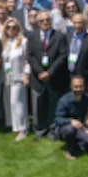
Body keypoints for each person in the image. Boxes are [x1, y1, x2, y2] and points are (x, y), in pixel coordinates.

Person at [26, 9, 68, 139]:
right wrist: (40, 72)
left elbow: (62, 56)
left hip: (54, 77)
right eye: (42, 20)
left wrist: (50, 72)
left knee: (53, 105)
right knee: (39, 105)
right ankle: (40, 129)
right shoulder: (32, 36)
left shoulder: (59, 37)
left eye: (47, 20)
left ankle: (52, 129)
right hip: (37, 78)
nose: (45, 22)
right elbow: (30, 55)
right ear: (38, 22)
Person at [54, 74, 88, 159]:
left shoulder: (87, 98)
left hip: (82, 127)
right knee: (69, 130)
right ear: (71, 86)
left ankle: (77, 144)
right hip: (66, 128)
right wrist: (71, 121)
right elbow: (57, 119)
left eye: (81, 86)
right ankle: (71, 151)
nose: (78, 89)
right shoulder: (64, 100)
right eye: (76, 87)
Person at [1, 18, 30, 140]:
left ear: (18, 29)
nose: (11, 29)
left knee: (18, 102)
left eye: (14, 27)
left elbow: (28, 60)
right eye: (8, 27)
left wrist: (26, 75)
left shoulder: (23, 41)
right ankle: (15, 126)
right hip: (8, 77)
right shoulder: (5, 42)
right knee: (10, 103)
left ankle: (23, 129)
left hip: (19, 76)